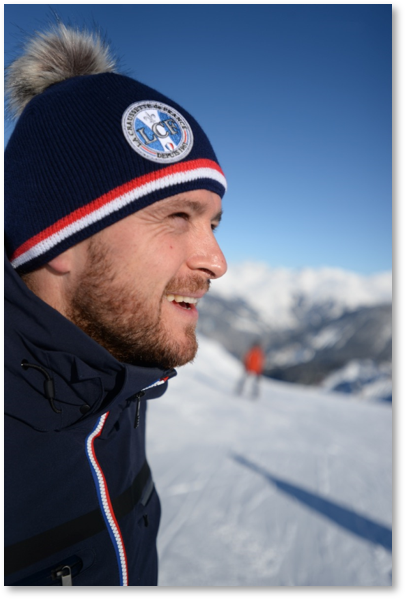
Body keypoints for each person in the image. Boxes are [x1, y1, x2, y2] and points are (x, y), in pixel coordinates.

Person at [4, 23, 227, 587]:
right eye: (177, 216)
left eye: (213, 222)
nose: (216, 261)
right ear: (61, 239)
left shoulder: (118, 381)